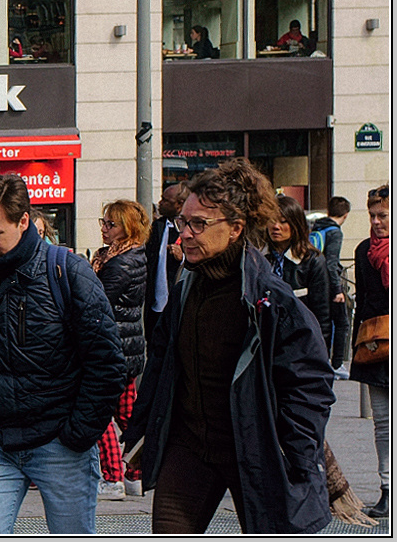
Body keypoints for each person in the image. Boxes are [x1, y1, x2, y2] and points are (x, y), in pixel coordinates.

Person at [122, 158, 334, 533]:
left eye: (199, 224)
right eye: (183, 222)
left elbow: (310, 384)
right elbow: (162, 365)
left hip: (254, 448)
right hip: (190, 448)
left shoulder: (270, 299)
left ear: (236, 228)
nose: (184, 234)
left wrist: (294, 454)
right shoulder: (186, 287)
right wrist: (143, 432)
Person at [0, 173, 125, 534]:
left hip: (61, 442)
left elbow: (106, 362)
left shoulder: (67, 270)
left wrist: (76, 433)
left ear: (24, 221)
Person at [91, 200, 149, 500]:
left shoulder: (121, 262)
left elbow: (98, 300)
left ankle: (113, 477)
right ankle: (135, 475)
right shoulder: (125, 256)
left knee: (99, 415)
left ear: (127, 229)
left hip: (112, 349)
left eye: (110, 224)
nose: (104, 228)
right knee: (127, 415)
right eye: (104, 222)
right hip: (125, 348)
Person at [352, 185, 390, 518]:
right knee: (382, 423)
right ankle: (387, 489)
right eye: (373, 215)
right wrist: (357, 346)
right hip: (377, 345)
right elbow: (362, 302)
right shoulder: (365, 250)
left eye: (383, 216)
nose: (377, 222)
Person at [267, 195, 335, 357]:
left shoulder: (313, 261)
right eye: (272, 220)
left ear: (295, 224)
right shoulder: (259, 258)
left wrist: (321, 356)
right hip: (267, 345)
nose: (276, 227)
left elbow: (322, 316)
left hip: (300, 347)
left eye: (283, 221)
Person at [310, 196, 353, 376]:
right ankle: (336, 365)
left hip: (316, 283)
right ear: (345, 214)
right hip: (330, 285)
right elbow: (331, 262)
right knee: (342, 323)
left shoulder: (317, 227)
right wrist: (337, 290)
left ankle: (323, 360)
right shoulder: (335, 232)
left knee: (322, 324)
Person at [142, 182, 186, 348]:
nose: (160, 203)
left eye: (166, 201)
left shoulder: (187, 229)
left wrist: (182, 258)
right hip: (155, 304)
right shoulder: (158, 227)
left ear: (179, 204)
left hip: (174, 303)